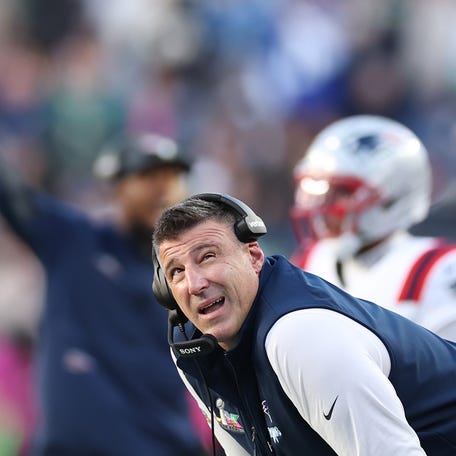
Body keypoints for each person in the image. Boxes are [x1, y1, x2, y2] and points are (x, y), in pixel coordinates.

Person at [151, 192, 456, 456]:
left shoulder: (301, 336)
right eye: (176, 271)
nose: (194, 283)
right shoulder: (193, 349)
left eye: (207, 257)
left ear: (254, 256)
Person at [0, 132, 208, 455]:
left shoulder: (193, 277)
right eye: (147, 177)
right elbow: (12, 195)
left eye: (172, 178)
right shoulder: (73, 241)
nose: (162, 189)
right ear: (117, 187)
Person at [289, 114, 456, 341]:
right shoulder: (310, 261)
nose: (322, 205)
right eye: (317, 186)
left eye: (342, 192)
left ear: (392, 200)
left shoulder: (436, 270)